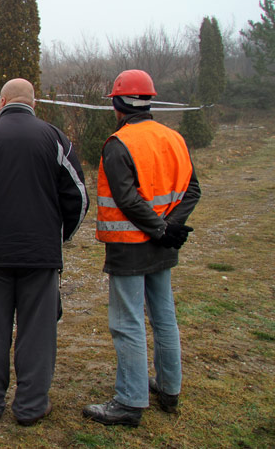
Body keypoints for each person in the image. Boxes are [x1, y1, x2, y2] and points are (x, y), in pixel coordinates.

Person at [0, 78, 89, 426]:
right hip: (41, 256)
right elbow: (79, 198)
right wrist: (60, 237)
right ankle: (31, 406)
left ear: (2, 101)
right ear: (34, 104)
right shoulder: (56, 139)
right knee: (38, 331)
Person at [83, 69, 201, 427]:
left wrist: (162, 229)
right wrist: (169, 229)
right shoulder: (174, 138)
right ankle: (168, 389)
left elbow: (128, 199)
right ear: (148, 101)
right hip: (161, 245)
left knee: (127, 322)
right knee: (164, 317)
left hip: (130, 246)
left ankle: (130, 401)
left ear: (118, 104)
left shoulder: (119, 144)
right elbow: (192, 189)